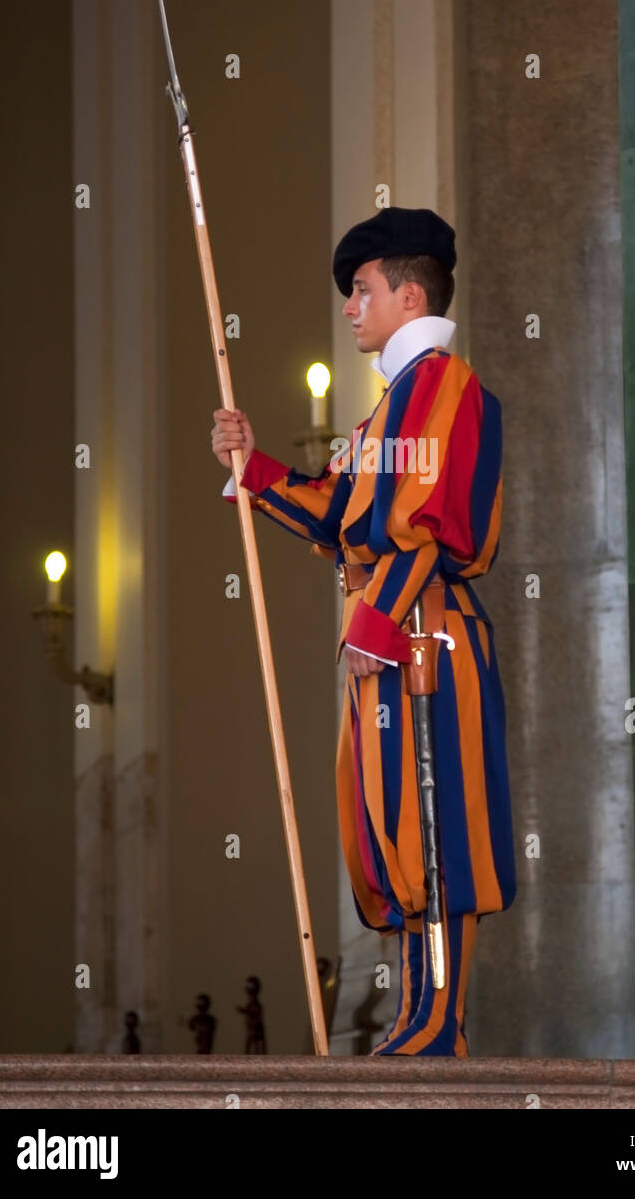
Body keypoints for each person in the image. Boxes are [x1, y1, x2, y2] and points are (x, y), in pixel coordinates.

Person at [211, 207, 516, 1056]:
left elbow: (427, 528)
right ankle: (417, 1012)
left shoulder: (443, 388)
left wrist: (378, 624)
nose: (350, 307)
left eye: (363, 291)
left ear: (408, 293)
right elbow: (334, 514)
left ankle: (439, 1023)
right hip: (385, 638)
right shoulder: (388, 408)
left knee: (435, 820)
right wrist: (251, 464)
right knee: (390, 831)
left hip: (425, 636)